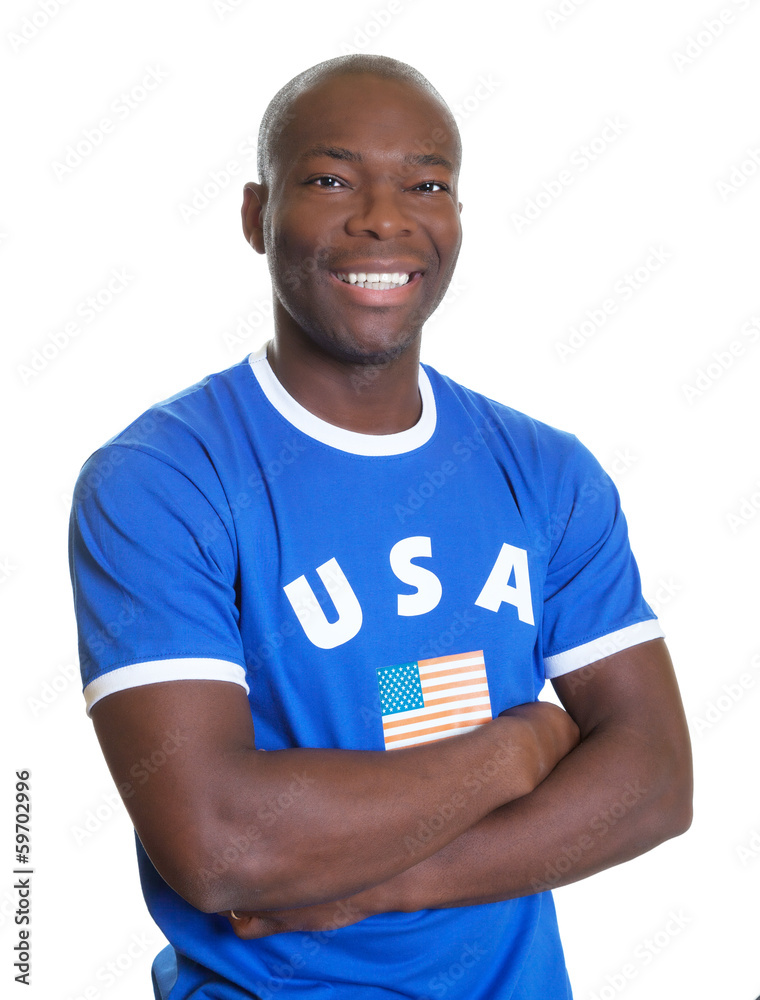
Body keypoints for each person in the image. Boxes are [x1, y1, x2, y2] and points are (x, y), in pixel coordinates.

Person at [68, 53, 693, 1000]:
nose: (384, 218)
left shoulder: (549, 472)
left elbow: (656, 782)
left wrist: (384, 885)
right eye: (331, 180)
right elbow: (220, 844)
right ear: (256, 215)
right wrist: (519, 746)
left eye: (426, 185)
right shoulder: (162, 479)